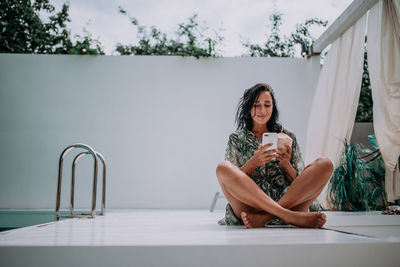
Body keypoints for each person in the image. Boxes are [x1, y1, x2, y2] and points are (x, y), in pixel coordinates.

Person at [216, 83, 333, 228]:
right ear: (248, 107)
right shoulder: (236, 139)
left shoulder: (288, 137)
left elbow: (302, 182)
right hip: (250, 208)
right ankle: (287, 216)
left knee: (325, 164)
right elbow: (232, 181)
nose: (262, 110)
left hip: (289, 203)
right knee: (223, 168)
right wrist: (253, 163)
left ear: (273, 107)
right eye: (256, 105)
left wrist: (286, 165)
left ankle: (266, 217)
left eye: (267, 105)